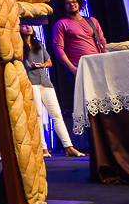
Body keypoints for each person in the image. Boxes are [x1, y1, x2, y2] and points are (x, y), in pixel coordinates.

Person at [20, 24, 85, 158]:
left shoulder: (37, 44)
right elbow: (18, 60)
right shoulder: (19, 46)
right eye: (24, 26)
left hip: (45, 82)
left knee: (56, 114)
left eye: (29, 26)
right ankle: (43, 148)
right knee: (38, 115)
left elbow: (49, 61)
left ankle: (68, 146)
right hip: (30, 82)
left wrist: (42, 65)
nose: (28, 28)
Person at [51, 0, 107, 77]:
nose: (72, 4)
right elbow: (58, 49)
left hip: (98, 64)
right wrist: (73, 69)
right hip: (79, 66)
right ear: (63, 6)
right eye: (68, 3)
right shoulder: (61, 24)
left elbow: (102, 41)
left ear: (79, 3)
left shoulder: (92, 21)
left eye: (74, 2)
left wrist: (106, 55)